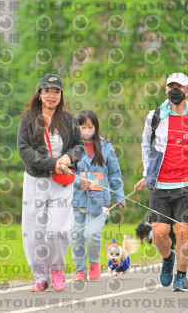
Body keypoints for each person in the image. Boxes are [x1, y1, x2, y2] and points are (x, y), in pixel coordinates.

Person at [134, 72, 188, 292]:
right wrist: (147, 173)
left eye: (179, 87)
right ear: (166, 90)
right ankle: (168, 259)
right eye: (171, 87)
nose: (175, 91)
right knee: (159, 234)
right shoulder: (155, 117)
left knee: (182, 233)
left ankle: (181, 275)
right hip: (160, 184)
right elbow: (146, 145)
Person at [17, 73, 85, 292]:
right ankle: (40, 276)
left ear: (61, 95)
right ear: (39, 94)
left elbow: (79, 146)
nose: (51, 96)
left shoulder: (68, 119)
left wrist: (67, 158)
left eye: (56, 92)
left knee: (58, 230)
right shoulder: (28, 119)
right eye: (47, 91)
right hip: (35, 181)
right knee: (34, 231)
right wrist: (51, 163)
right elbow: (24, 149)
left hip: (61, 182)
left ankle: (56, 268)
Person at [70, 110, 126, 281]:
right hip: (78, 198)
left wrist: (119, 196)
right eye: (82, 127)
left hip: (100, 199)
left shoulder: (106, 146)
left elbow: (114, 173)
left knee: (91, 233)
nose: (86, 130)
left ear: (95, 127)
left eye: (90, 127)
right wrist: (79, 180)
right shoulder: (71, 147)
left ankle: (94, 263)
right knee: (76, 235)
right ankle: (80, 269)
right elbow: (67, 172)